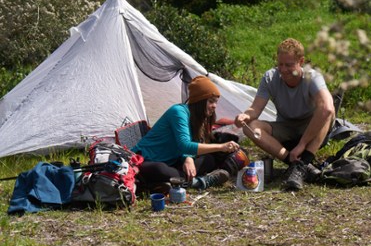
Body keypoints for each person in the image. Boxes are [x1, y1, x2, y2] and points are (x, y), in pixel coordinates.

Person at [234, 38, 335, 191]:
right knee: (251, 127)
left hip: (311, 127)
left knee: (328, 111)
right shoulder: (270, 77)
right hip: (286, 126)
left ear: (301, 62)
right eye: (280, 64)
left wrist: (302, 144)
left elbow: (327, 107)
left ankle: (303, 163)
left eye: (289, 65)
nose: (283, 70)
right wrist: (245, 116)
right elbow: (255, 109)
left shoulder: (312, 77)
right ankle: (296, 164)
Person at [132, 75, 241, 194]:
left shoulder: (199, 118)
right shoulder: (178, 112)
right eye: (211, 101)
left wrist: (187, 158)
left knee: (208, 159)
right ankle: (198, 182)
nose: (214, 106)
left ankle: (167, 184)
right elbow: (184, 144)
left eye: (215, 102)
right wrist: (221, 147)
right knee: (160, 170)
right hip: (145, 161)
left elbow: (192, 143)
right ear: (200, 101)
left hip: (172, 160)